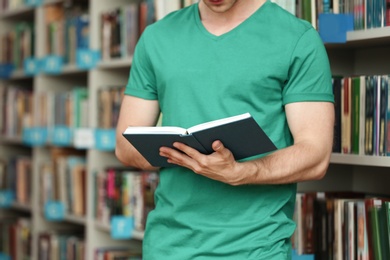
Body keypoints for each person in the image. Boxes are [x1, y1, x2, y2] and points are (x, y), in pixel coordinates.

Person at [115, 0, 335, 259]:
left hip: (256, 249)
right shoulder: (156, 38)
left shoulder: (297, 39)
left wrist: (242, 172)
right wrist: (185, 154)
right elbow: (124, 146)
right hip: (167, 247)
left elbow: (315, 155)